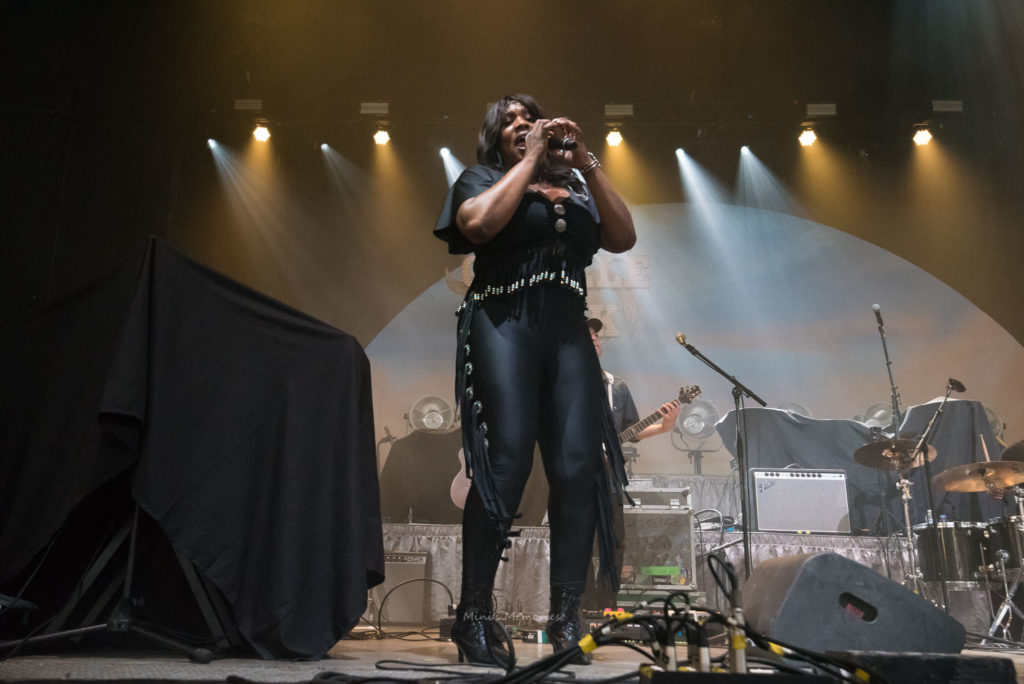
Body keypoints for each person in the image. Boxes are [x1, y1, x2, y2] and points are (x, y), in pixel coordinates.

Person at [433, 94, 636, 666]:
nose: (524, 126)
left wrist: (586, 161)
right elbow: (476, 225)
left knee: (577, 468)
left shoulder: (576, 187)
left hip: (568, 330)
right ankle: (474, 615)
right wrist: (530, 160)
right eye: (511, 124)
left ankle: (566, 616)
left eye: (531, 119)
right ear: (496, 140)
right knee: (507, 462)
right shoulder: (482, 179)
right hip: (503, 322)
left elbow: (623, 237)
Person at [588, 317, 680, 442]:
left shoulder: (616, 385)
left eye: (595, 335)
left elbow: (631, 431)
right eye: (587, 335)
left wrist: (663, 428)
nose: (594, 338)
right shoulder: (562, 384)